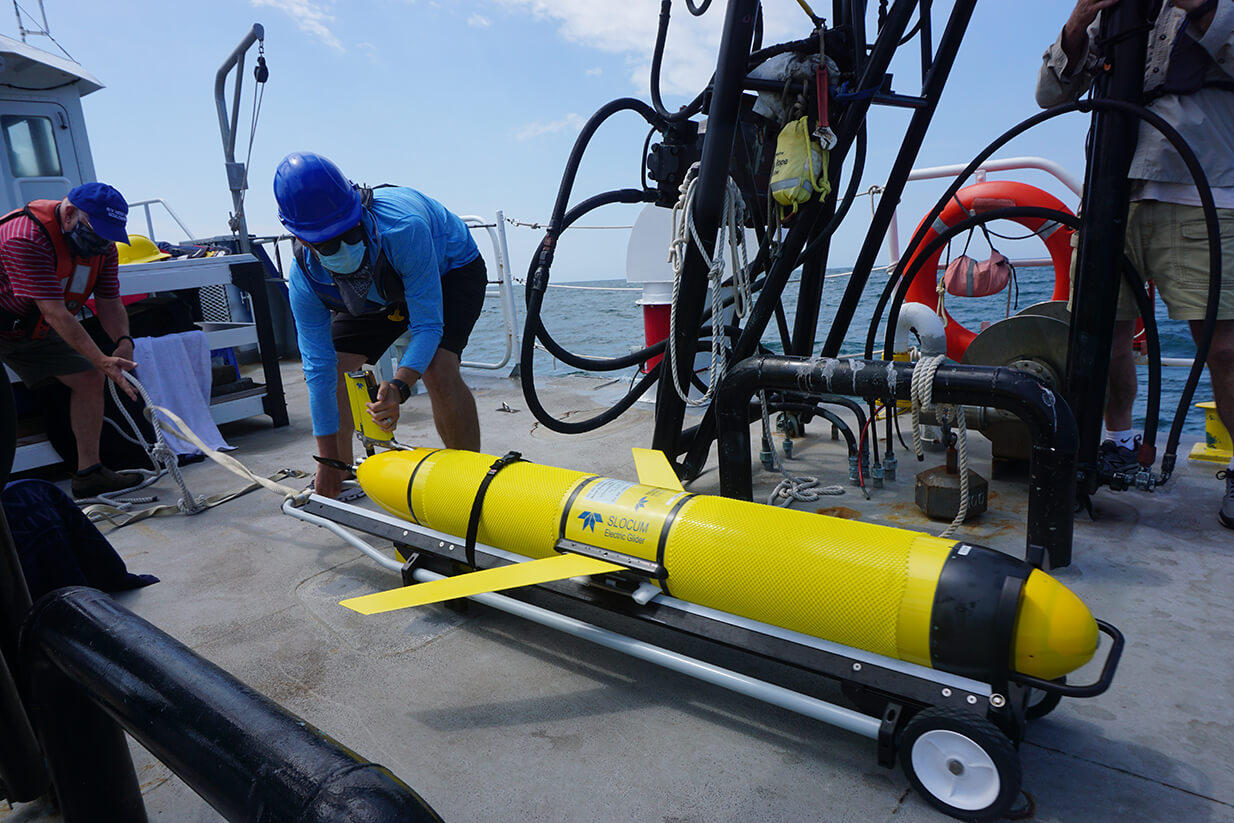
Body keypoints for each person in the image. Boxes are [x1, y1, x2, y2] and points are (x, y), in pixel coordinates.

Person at [1037, 0, 1234, 527]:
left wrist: (1205, 12)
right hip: (1109, 194)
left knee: (1225, 346)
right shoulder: (1110, 16)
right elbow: (1050, 94)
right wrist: (1079, 21)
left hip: (1201, 190)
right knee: (1101, 335)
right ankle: (1117, 442)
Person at [273, 152, 486, 499]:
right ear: (304, 240)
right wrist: (324, 460)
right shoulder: (304, 279)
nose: (343, 247)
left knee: (437, 368)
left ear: (359, 208)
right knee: (336, 370)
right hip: (373, 290)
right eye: (328, 243)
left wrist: (400, 386)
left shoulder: (404, 229)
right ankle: (337, 475)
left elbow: (428, 326)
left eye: (350, 232)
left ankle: (470, 483)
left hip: (450, 267)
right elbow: (318, 367)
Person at [0, 182, 142, 499]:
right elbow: (55, 313)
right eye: (95, 233)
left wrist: (123, 339)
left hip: (29, 327)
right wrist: (102, 359)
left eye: (108, 236)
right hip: (18, 319)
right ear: (68, 214)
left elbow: (108, 299)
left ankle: (89, 474)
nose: (100, 244)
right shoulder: (25, 236)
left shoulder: (103, 247)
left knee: (89, 377)